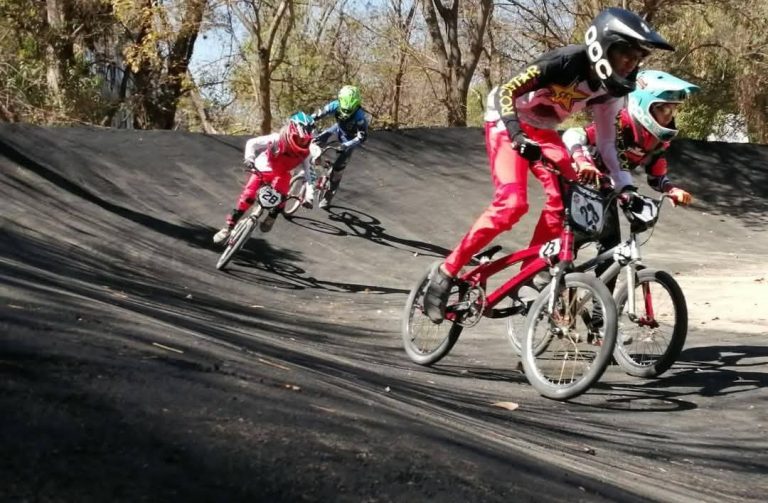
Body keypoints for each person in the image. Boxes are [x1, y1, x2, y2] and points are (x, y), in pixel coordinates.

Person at [423, 7, 675, 323]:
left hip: (544, 132)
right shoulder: (565, 61)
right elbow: (505, 92)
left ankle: (530, 275)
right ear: (604, 46)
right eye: (626, 54)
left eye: (638, 58)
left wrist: (625, 188)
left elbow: (608, 146)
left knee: (570, 198)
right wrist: (515, 134)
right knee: (512, 204)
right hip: (506, 121)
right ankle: (446, 271)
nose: (631, 63)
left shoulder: (610, 93)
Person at [562, 69, 700, 291]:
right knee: (573, 242)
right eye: (664, 108)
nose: (670, 116)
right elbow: (573, 134)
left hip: (608, 188)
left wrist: (671, 189)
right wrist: (582, 160)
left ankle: (600, 321)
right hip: (578, 181)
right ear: (644, 104)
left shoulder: (657, 141)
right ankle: (553, 283)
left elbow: (657, 177)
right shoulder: (619, 121)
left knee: (612, 249)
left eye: (673, 110)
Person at [213, 112, 315, 244]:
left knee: (282, 196)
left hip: (283, 173)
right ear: (292, 131)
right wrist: (249, 158)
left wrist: (309, 197)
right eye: (300, 139)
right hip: (264, 166)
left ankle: (272, 216)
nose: (302, 142)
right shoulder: (277, 139)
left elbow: (309, 174)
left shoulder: (307, 153)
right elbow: (252, 143)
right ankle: (229, 226)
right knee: (248, 195)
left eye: (305, 140)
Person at [310, 85, 369, 209]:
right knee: (315, 143)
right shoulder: (335, 105)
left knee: (338, 169)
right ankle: (323, 165)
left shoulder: (360, 116)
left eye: (349, 111)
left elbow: (362, 137)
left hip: (349, 139)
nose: (346, 114)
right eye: (344, 110)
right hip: (337, 131)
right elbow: (319, 114)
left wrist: (346, 145)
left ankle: (330, 193)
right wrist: (307, 121)